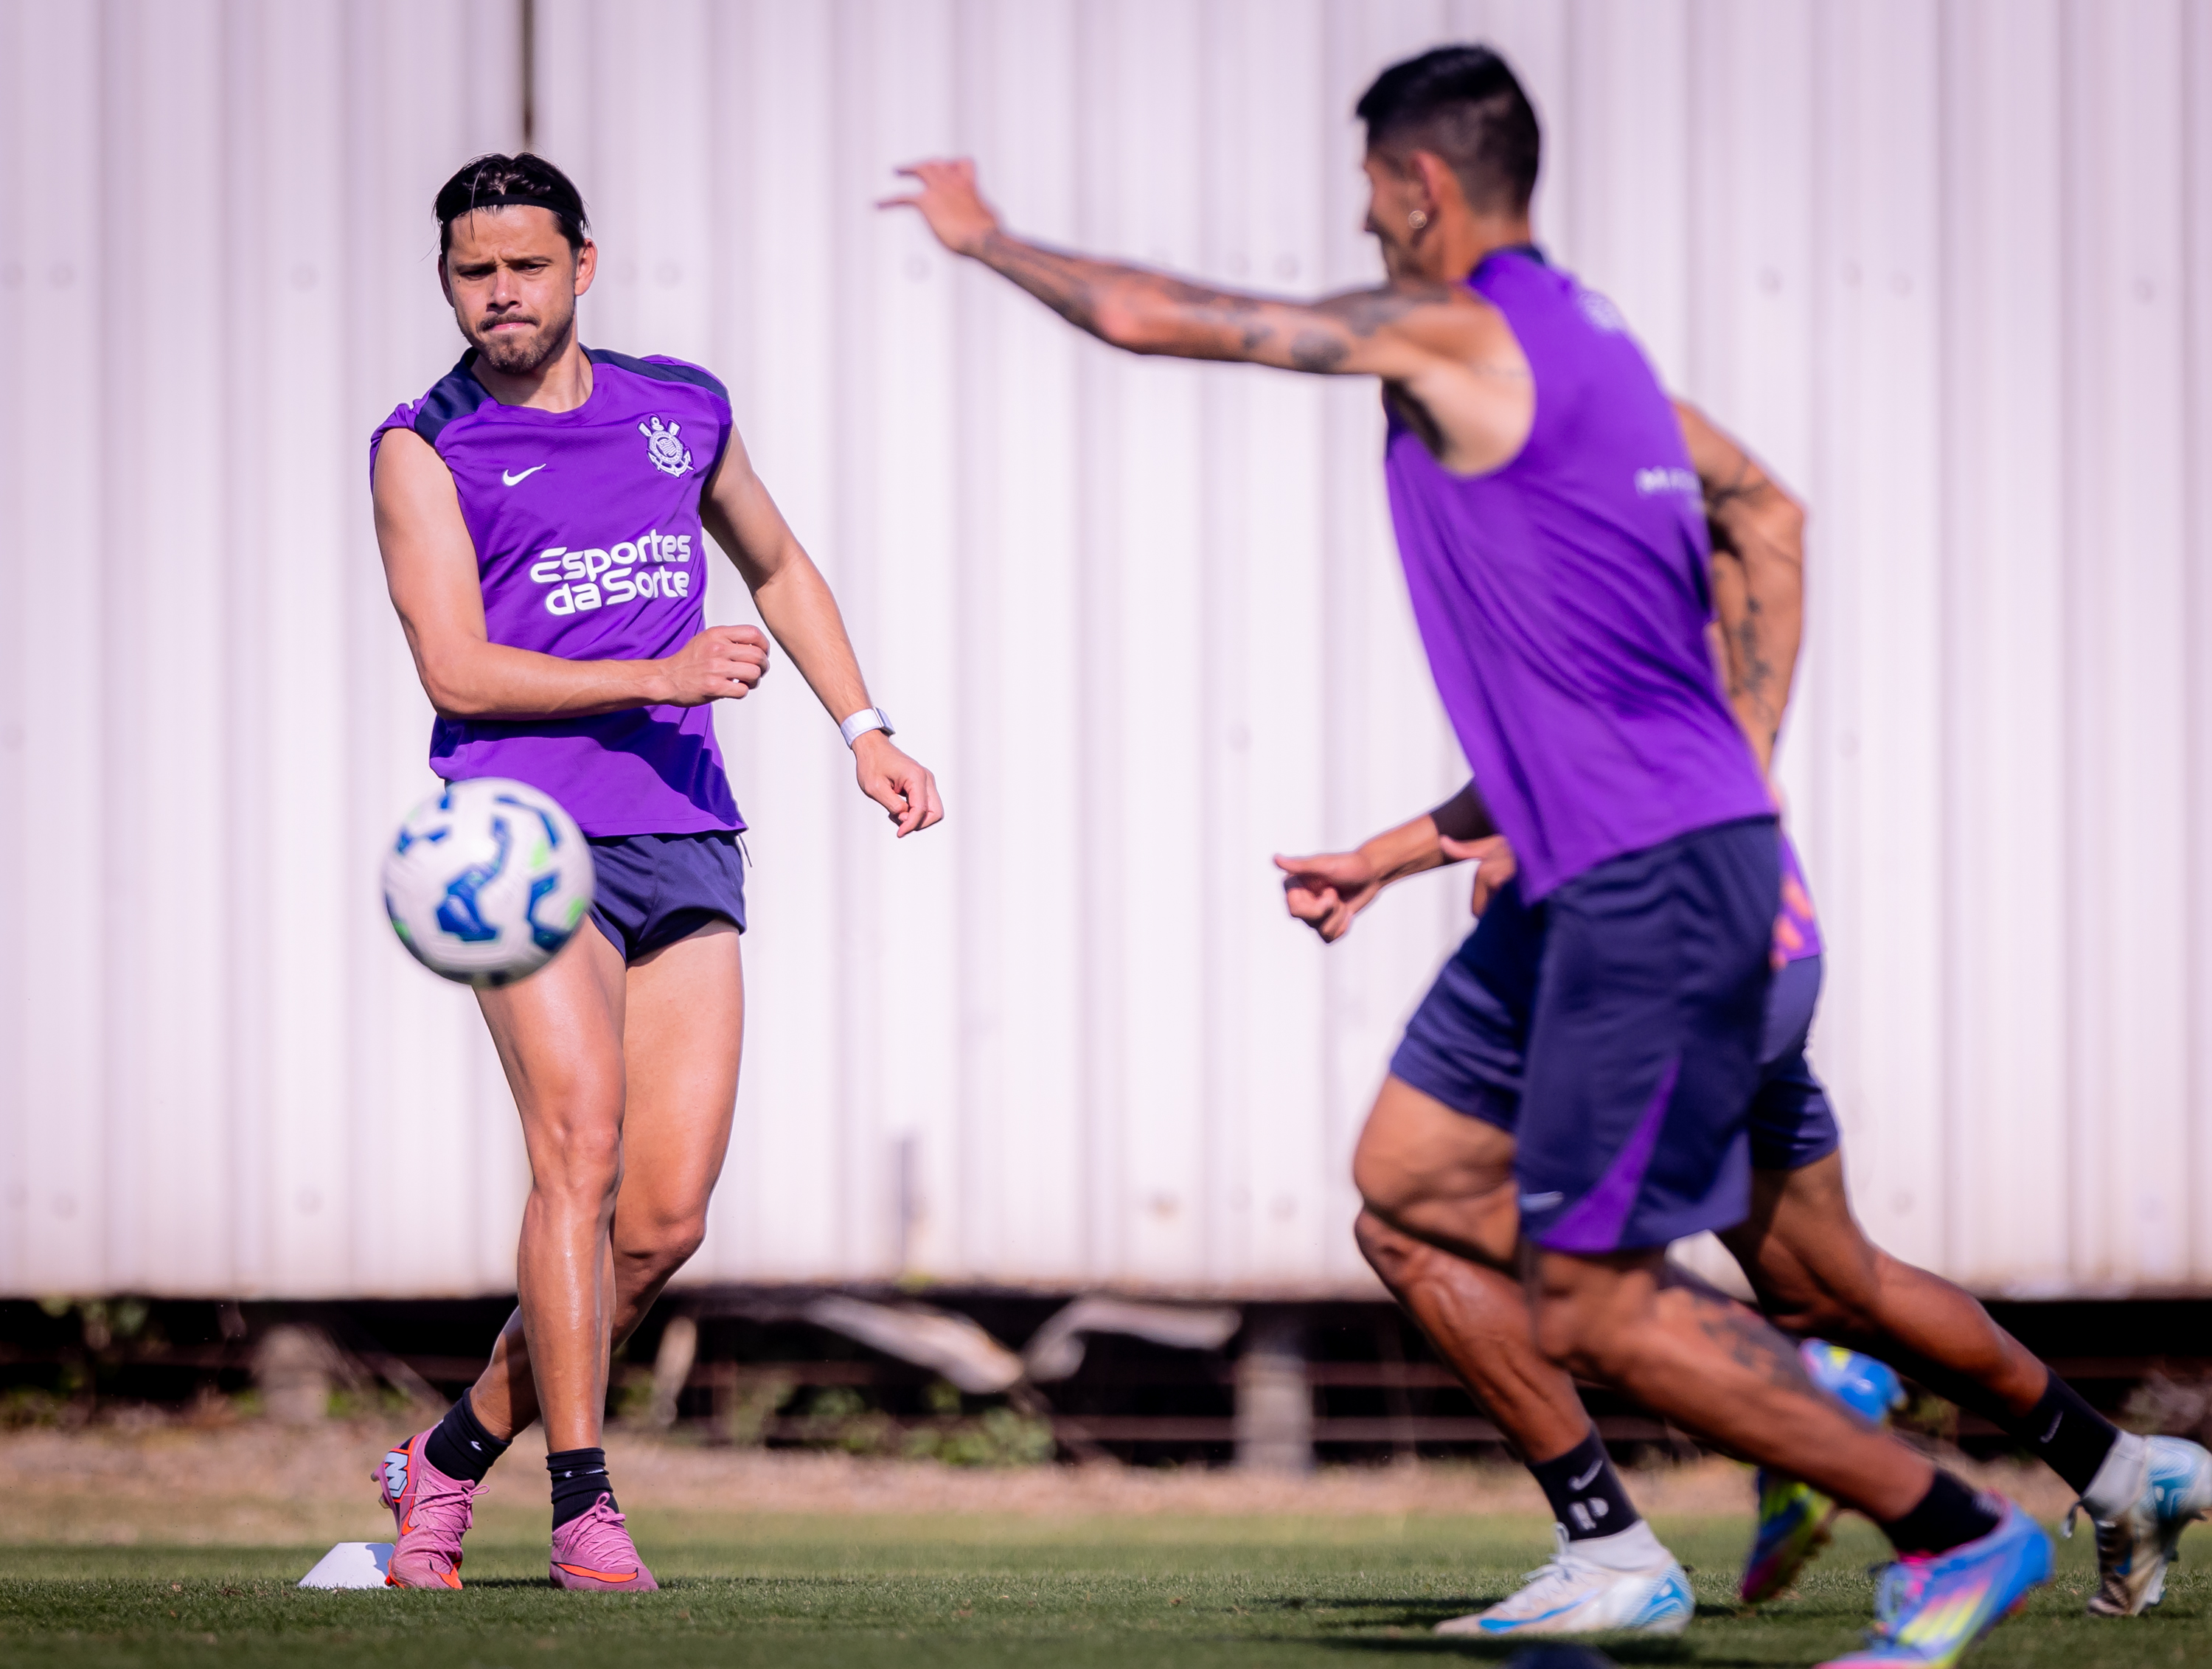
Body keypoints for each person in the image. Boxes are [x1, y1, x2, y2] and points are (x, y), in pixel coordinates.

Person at [887, 44, 2048, 1665]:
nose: (1362, 224)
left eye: (1369, 191)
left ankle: (1952, 1523)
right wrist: (1745, 758)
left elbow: (1158, 318)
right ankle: (1724, 1460)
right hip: (1627, 865)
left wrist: (986, 236)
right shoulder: (1600, 347)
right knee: (1410, 1186)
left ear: (1418, 186)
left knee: (1595, 1301)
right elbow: (1767, 508)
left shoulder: (1461, 328)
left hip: (1649, 882)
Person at [1281, 402, 2211, 1635]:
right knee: (1832, 1280)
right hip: (1762, 949)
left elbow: (1607, 754)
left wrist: (1524, 852)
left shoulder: (1562, 554)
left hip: (1647, 961)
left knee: (1422, 1225)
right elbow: (1569, 757)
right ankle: (2121, 1471)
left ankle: (1630, 1536)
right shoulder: (1648, 548)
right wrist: (1386, 860)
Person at [369, 153, 942, 1592]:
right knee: (580, 1150)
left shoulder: (682, 408)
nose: (499, 294)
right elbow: (455, 667)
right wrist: (660, 667)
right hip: (521, 839)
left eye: (524, 266)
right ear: (449, 282)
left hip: (682, 823)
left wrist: (865, 730)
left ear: (584, 264)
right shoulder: (422, 445)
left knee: (665, 1220)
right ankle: (580, 1504)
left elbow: (782, 565)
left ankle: (440, 1459)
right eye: (471, 272)